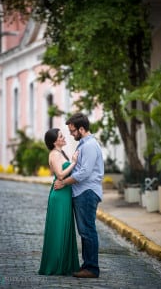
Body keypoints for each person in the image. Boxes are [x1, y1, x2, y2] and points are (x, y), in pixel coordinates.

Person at [54, 113, 104, 278]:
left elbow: (84, 172)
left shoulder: (89, 145)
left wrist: (64, 182)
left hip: (87, 192)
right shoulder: (84, 144)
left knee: (87, 230)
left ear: (82, 129)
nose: (71, 134)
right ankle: (87, 266)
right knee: (84, 231)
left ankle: (92, 268)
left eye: (73, 130)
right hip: (82, 192)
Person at [38, 128, 80, 275]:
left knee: (66, 228)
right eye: (61, 136)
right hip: (60, 195)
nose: (64, 137)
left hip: (65, 194)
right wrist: (74, 163)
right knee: (59, 229)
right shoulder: (54, 155)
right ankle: (56, 265)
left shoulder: (61, 153)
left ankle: (66, 264)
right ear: (55, 141)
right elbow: (60, 175)